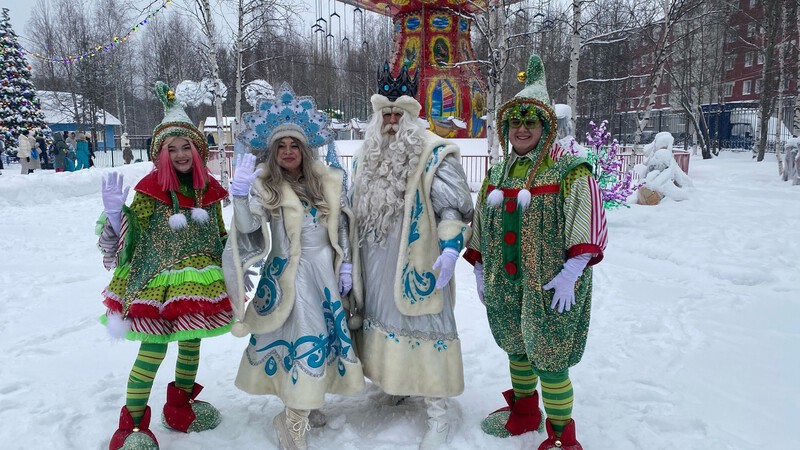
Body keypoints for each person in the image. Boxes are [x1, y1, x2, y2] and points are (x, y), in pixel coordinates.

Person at [463, 54, 607, 450]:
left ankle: (562, 437)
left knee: (550, 355)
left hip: (551, 282)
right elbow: (480, 224)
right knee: (516, 345)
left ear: (545, 127)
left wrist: (571, 272)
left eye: (531, 122)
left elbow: (587, 218)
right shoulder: (496, 174)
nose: (522, 129)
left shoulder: (569, 169)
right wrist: (478, 269)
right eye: (516, 122)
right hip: (506, 282)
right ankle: (525, 411)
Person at [222, 83, 365, 450]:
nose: (288, 152)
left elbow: (343, 226)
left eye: (294, 145)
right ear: (273, 152)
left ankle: (306, 400)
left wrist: (345, 264)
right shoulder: (265, 186)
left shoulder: (329, 182)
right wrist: (240, 198)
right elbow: (250, 228)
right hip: (289, 276)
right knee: (301, 339)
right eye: (281, 146)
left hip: (325, 276)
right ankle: (293, 422)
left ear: (305, 149)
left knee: (322, 341)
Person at [97, 82, 232, 450]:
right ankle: (133, 426)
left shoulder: (210, 192)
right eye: (171, 149)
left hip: (199, 285)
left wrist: (236, 261)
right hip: (155, 282)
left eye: (185, 146)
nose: (180, 154)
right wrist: (114, 213)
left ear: (197, 148)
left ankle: (180, 405)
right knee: (153, 350)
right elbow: (131, 232)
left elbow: (220, 236)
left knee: (191, 344)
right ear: (161, 155)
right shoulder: (151, 189)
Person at [350, 63, 473, 450]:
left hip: (418, 262)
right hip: (374, 262)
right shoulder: (364, 156)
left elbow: (452, 209)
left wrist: (452, 249)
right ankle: (397, 383)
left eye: (397, 114)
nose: (390, 121)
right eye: (384, 113)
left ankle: (438, 411)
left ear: (410, 116)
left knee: (427, 327)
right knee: (382, 322)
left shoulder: (435, 153)